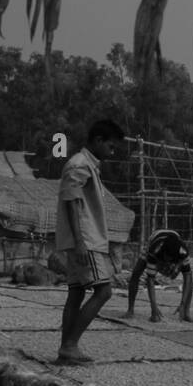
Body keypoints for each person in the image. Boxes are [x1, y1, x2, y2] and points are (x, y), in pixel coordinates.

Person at [55, 119, 126, 364]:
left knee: (75, 293)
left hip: (80, 239)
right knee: (104, 291)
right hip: (85, 239)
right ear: (98, 141)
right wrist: (80, 241)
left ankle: (66, 348)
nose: (112, 152)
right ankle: (71, 343)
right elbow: (71, 201)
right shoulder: (80, 164)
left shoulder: (86, 165)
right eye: (111, 146)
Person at [125, 228, 193, 322]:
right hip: (155, 239)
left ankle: (186, 313)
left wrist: (182, 304)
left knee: (190, 278)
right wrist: (153, 307)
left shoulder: (183, 252)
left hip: (174, 244)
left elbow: (188, 278)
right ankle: (130, 310)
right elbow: (150, 280)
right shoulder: (154, 250)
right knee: (136, 273)